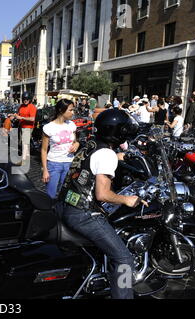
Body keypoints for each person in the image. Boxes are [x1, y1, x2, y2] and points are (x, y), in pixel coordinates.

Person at [58, 109, 145, 299]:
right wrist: (127, 199)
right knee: (123, 259)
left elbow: (92, 166)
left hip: (65, 205)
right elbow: (103, 194)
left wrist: (120, 159)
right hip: (83, 214)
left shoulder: (90, 144)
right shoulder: (107, 154)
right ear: (118, 131)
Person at [41, 99, 79, 199]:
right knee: (51, 194)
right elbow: (44, 150)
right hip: (54, 164)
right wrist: (45, 170)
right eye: (70, 110)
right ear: (61, 110)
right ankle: (49, 213)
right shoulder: (49, 127)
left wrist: (77, 144)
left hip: (70, 163)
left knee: (66, 194)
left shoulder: (71, 125)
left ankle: (62, 213)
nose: (73, 112)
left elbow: (75, 142)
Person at [10, 92, 38, 164]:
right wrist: (13, 116)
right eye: (24, 99)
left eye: (27, 99)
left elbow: (32, 119)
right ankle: (27, 156)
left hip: (28, 127)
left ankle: (23, 159)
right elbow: (18, 114)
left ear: (30, 99)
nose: (25, 100)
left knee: (24, 143)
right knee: (24, 142)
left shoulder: (32, 107)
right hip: (21, 126)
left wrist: (22, 118)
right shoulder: (21, 106)